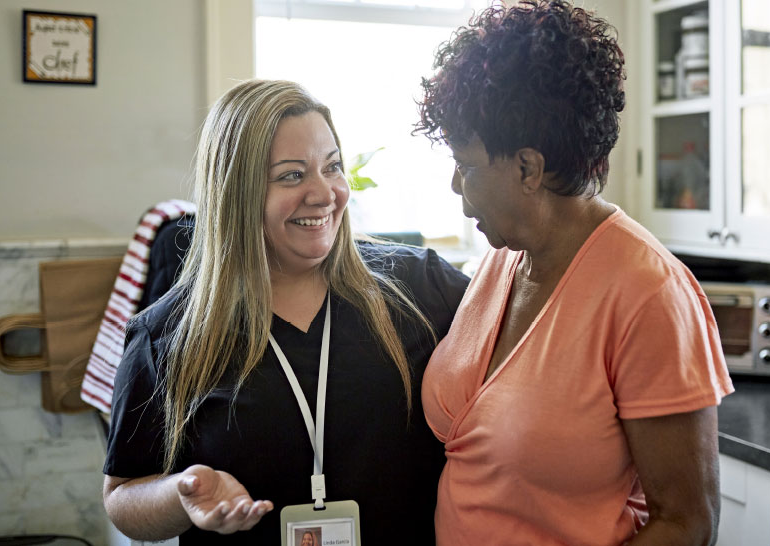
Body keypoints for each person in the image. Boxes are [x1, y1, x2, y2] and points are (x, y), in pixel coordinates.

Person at [414, 2, 733, 545]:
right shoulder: (503, 256)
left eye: (465, 166)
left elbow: (687, 522)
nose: (454, 185)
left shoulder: (649, 293)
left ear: (527, 168)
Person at [102, 79, 469, 544]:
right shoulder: (166, 335)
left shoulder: (421, 287)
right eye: (292, 175)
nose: (325, 194)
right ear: (236, 192)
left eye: (332, 167)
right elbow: (120, 498)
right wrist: (181, 493)